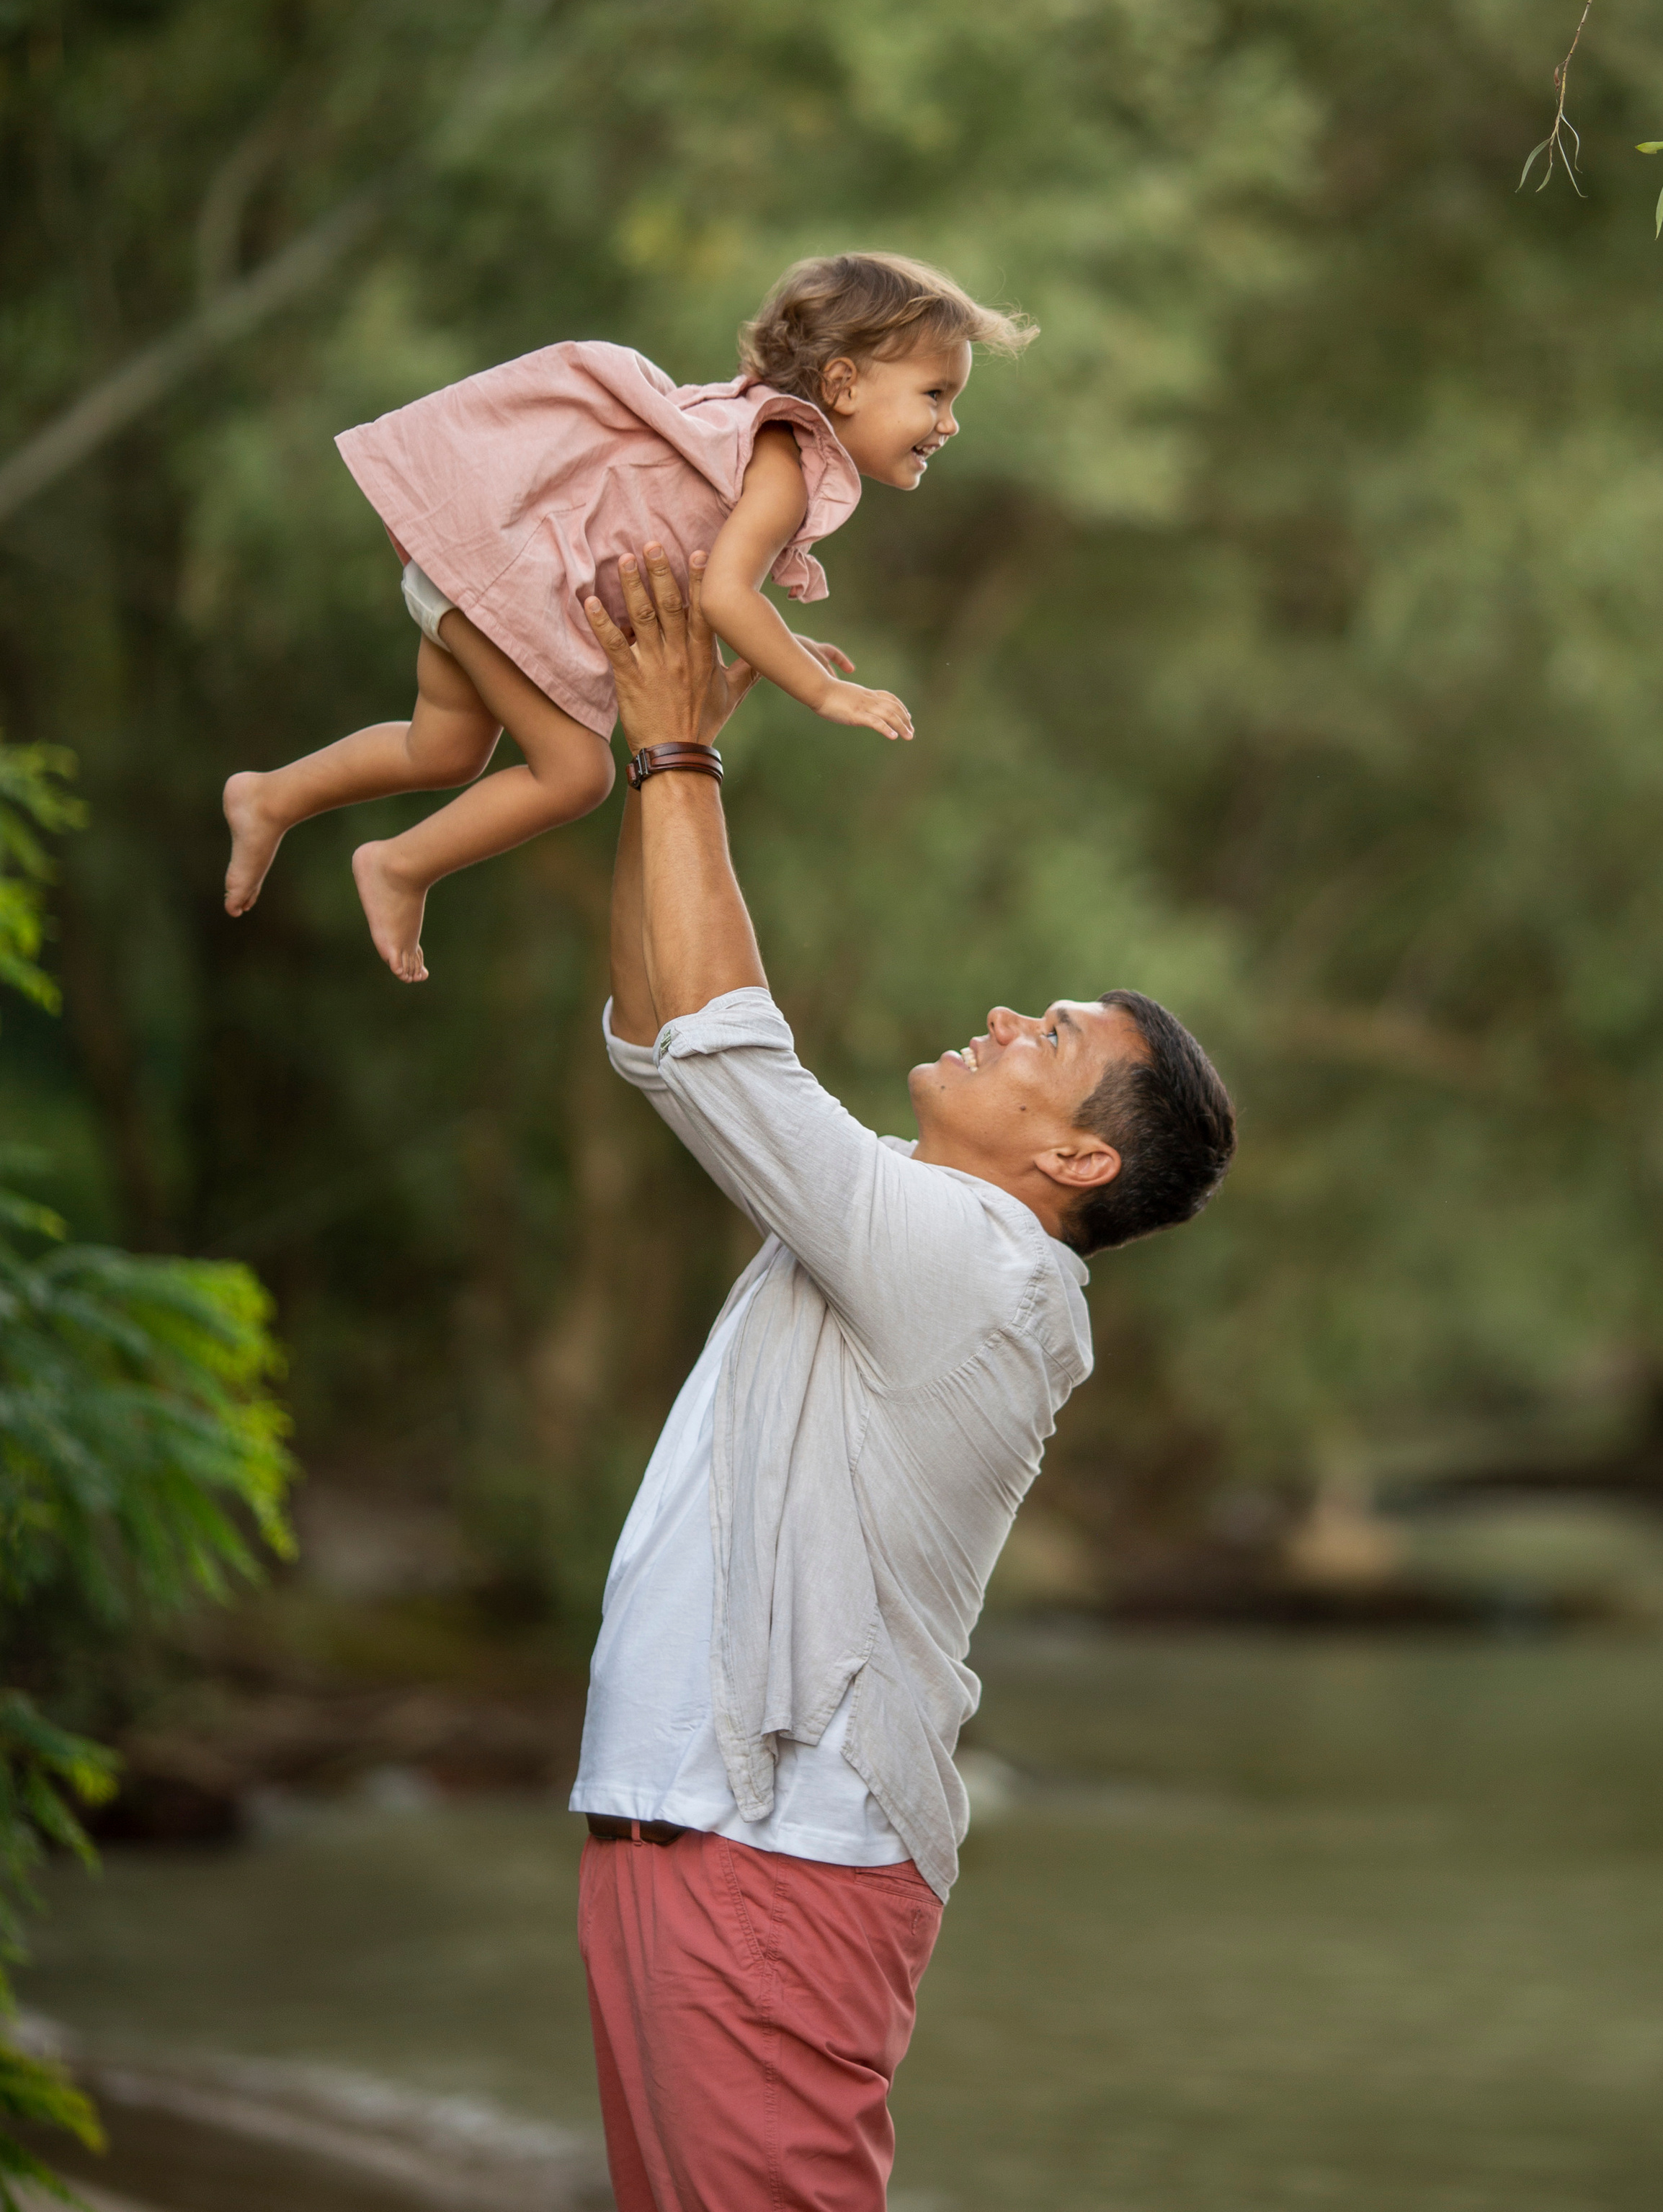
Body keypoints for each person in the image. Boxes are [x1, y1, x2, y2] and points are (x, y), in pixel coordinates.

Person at [571, 541, 1236, 2212]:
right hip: (686, 1831)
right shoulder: (906, 1219)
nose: (1007, 1015)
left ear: (1075, 1159)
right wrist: (649, 761)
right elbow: (670, 1037)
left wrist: (678, 754)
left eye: (1049, 1040)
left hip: (778, 1851)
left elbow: (727, 1050)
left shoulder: (977, 1268)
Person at [220, 251, 1035, 981]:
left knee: (441, 749)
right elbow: (725, 596)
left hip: (472, 567)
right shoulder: (782, 464)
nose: (949, 423)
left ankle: (272, 796)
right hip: (506, 581)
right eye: (935, 395)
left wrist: (781, 642)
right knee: (578, 775)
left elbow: (707, 575)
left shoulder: (750, 429)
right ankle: (400, 866)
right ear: (844, 385)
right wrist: (822, 692)